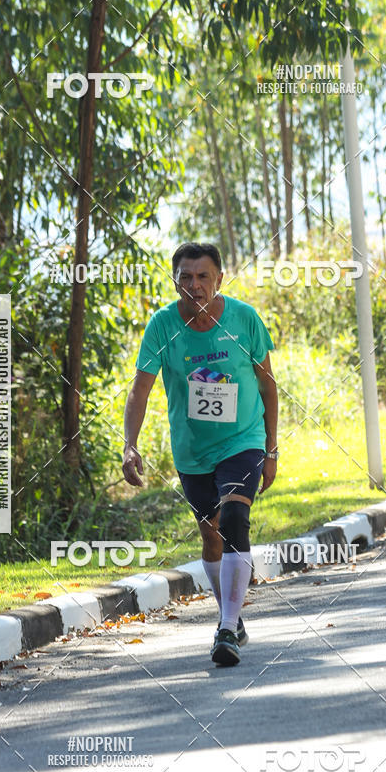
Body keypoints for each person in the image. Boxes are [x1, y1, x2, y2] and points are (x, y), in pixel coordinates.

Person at [122, 242, 279, 666]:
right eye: (186, 277)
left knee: (233, 518)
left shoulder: (244, 319)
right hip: (192, 450)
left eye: (203, 276)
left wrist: (271, 448)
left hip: (242, 439)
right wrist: (129, 444)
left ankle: (227, 627)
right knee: (210, 535)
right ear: (175, 281)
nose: (194, 284)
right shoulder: (161, 327)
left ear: (219, 279)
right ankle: (230, 614)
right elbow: (141, 388)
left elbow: (268, 386)